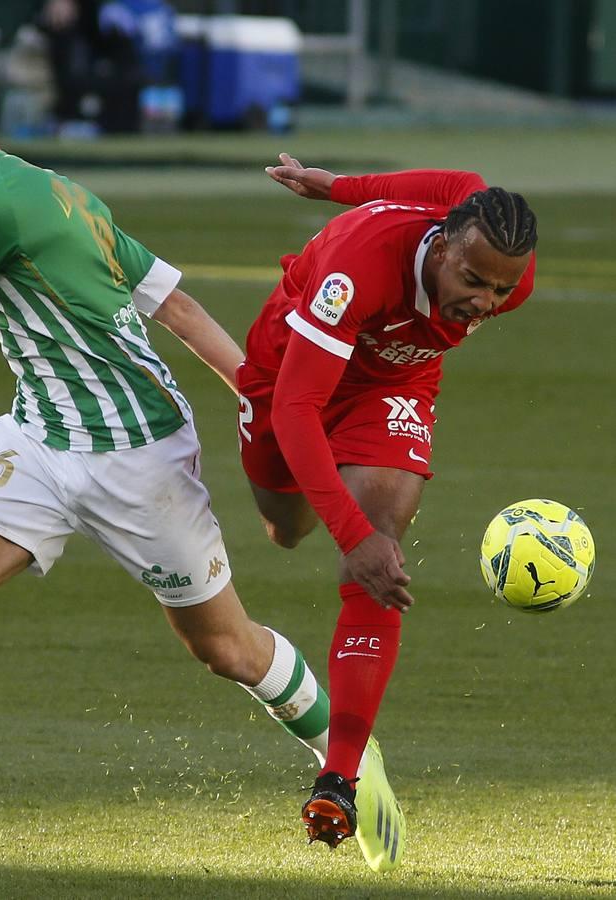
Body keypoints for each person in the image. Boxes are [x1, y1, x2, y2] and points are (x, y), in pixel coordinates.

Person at [0, 52, 403, 879]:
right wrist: (258, 391)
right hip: (37, 438)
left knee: (228, 651)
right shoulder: (59, 190)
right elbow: (173, 302)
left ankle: (351, 757)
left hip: (138, 456)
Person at [238, 154, 537, 848]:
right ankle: (318, 489)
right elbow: (296, 406)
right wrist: (345, 531)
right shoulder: (357, 269)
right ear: (440, 242)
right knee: (286, 527)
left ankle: (337, 777)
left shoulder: (492, 256)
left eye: (500, 288)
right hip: (291, 371)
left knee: (381, 544)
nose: (485, 303)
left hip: (392, 383)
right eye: (471, 280)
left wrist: (333, 184)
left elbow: (439, 182)